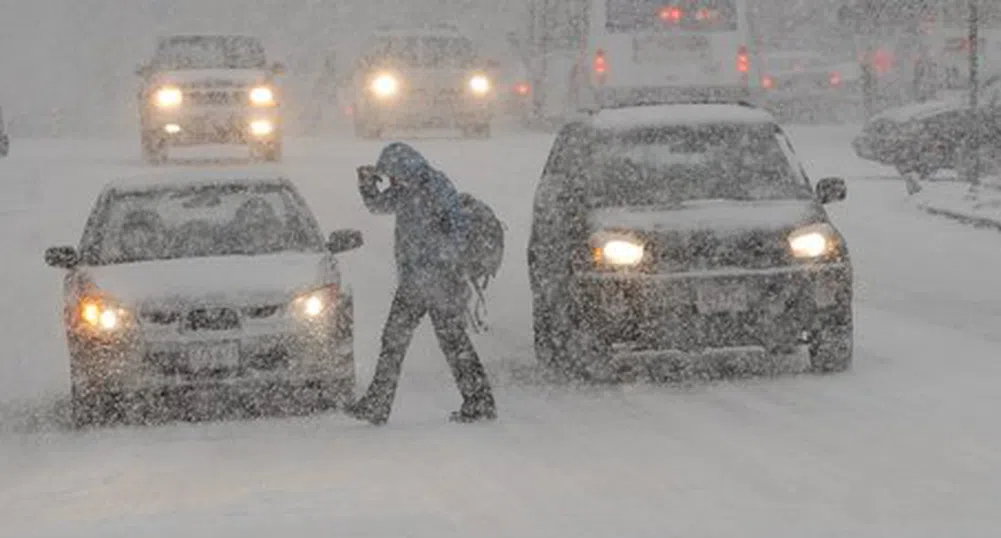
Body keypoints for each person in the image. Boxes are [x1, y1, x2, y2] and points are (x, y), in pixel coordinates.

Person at [346, 142, 497, 425]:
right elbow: (378, 206)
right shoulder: (407, 189)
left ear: (405, 168)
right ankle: (478, 401)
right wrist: (367, 186)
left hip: (439, 282)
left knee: (425, 341)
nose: (392, 182)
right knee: (423, 341)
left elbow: (458, 232)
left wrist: (435, 262)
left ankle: (478, 402)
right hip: (417, 281)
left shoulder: (436, 188)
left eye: (393, 175)